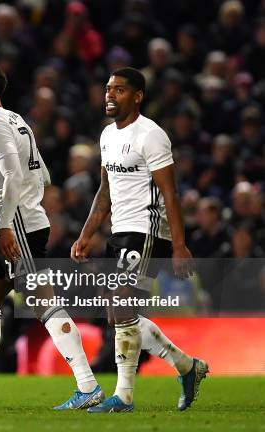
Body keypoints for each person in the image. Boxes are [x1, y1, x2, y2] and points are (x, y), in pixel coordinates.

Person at [0, 62, 104, 410]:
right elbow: (45, 175)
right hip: (16, 222)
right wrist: (4, 209)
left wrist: (5, 218)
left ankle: (88, 385)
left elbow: (12, 177)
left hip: (17, 226)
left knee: (42, 301)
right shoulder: (17, 121)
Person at [71, 67, 208, 413]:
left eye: (119, 90)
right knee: (118, 315)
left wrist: (179, 245)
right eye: (107, 89)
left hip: (147, 231)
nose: (109, 95)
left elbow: (170, 193)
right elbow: (105, 191)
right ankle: (187, 366)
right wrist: (87, 234)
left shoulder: (151, 135)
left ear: (137, 96)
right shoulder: (106, 136)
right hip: (120, 232)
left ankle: (124, 397)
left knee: (121, 307)